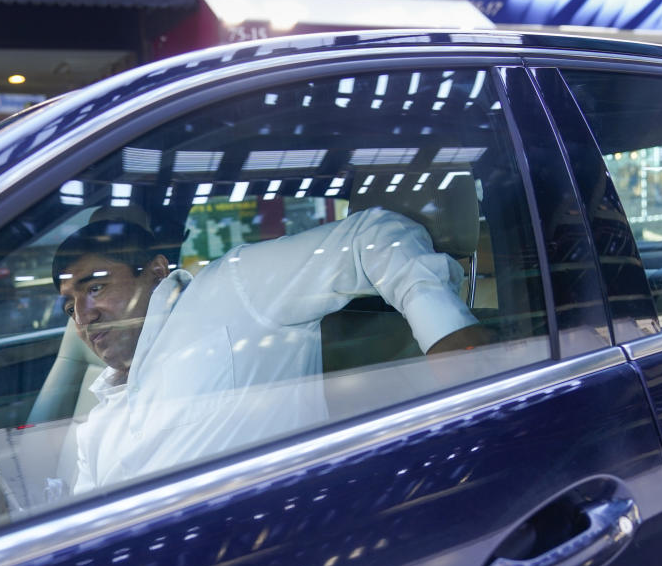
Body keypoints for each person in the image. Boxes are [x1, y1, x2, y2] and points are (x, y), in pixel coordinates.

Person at [52, 206, 483, 494]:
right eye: (70, 305)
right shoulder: (99, 423)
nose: (83, 316)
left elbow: (369, 236)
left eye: (96, 287)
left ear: (158, 272)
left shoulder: (231, 290)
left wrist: (449, 339)